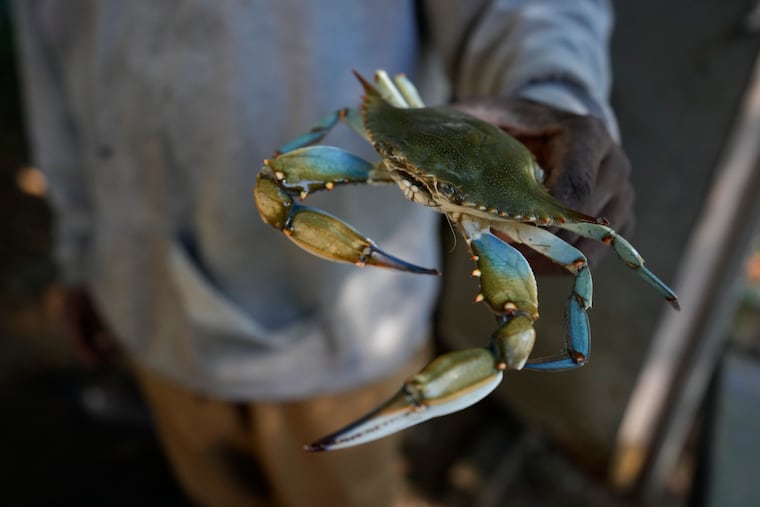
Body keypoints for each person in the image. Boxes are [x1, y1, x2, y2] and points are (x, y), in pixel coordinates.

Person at [13, 1, 633, 505]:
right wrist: (81, 249)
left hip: (343, 346)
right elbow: (51, 66)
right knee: (211, 488)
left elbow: (527, 9)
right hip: (142, 300)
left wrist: (551, 88)